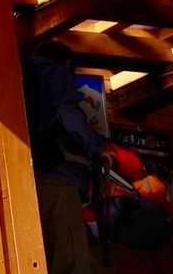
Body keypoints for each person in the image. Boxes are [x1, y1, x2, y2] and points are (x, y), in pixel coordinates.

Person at [25, 40, 107, 274]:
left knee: (45, 249)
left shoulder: (21, 73)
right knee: (71, 253)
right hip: (58, 172)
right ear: (67, 62)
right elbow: (67, 113)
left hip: (30, 176)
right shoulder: (55, 72)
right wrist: (97, 146)